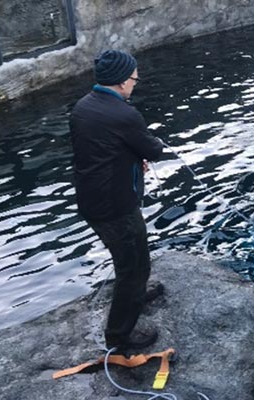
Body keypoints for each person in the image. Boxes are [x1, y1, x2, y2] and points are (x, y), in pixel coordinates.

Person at [70, 49, 164, 351]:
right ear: (123, 82)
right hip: (115, 206)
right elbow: (154, 149)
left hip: (93, 199)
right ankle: (119, 336)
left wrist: (132, 159)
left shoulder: (83, 107)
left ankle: (137, 293)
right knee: (132, 267)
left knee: (135, 258)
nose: (136, 83)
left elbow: (103, 150)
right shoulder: (125, 113)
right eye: (134, 78)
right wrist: (147, 151)